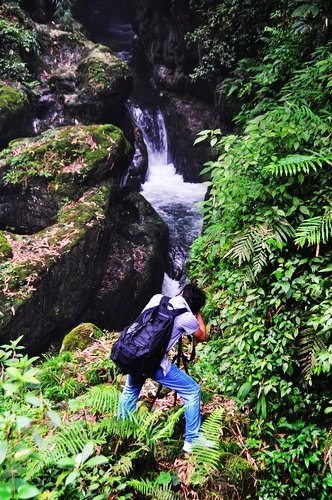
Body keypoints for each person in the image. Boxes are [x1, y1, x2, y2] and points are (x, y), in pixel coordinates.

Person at [118, 283, 208, 453]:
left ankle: (122, 434)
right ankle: (192, 442)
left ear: (181, 293)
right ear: (195, 306)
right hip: (154, 364)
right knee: (192, 391)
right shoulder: (187, 318)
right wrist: (197, 313)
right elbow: (202, 336)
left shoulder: (158, 298)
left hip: (134, 355)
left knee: (130, 390)